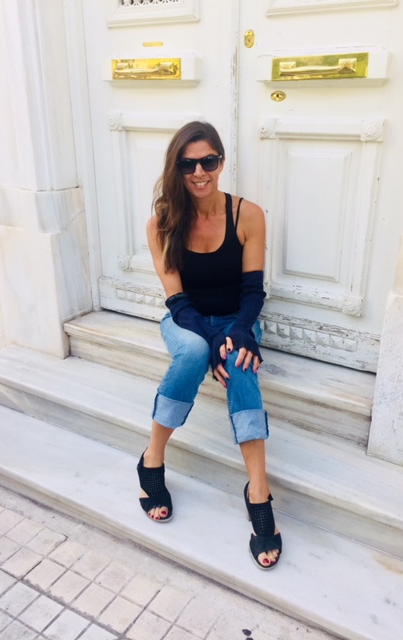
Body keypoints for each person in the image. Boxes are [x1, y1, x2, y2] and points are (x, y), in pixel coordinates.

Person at [138, 121, 282, 570]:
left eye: (209, 161)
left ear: (221, 161)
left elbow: (253, 291)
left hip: (239, 322)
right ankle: (152, 459)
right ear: (176, 168)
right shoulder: (162, 224)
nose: (200, 172)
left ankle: (258, 491)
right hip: (187, 322)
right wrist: (213, 337)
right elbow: (177, 301)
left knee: (241, 366)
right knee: (196, 352)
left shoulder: (247, 215)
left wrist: (238, 332)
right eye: (188, 164)